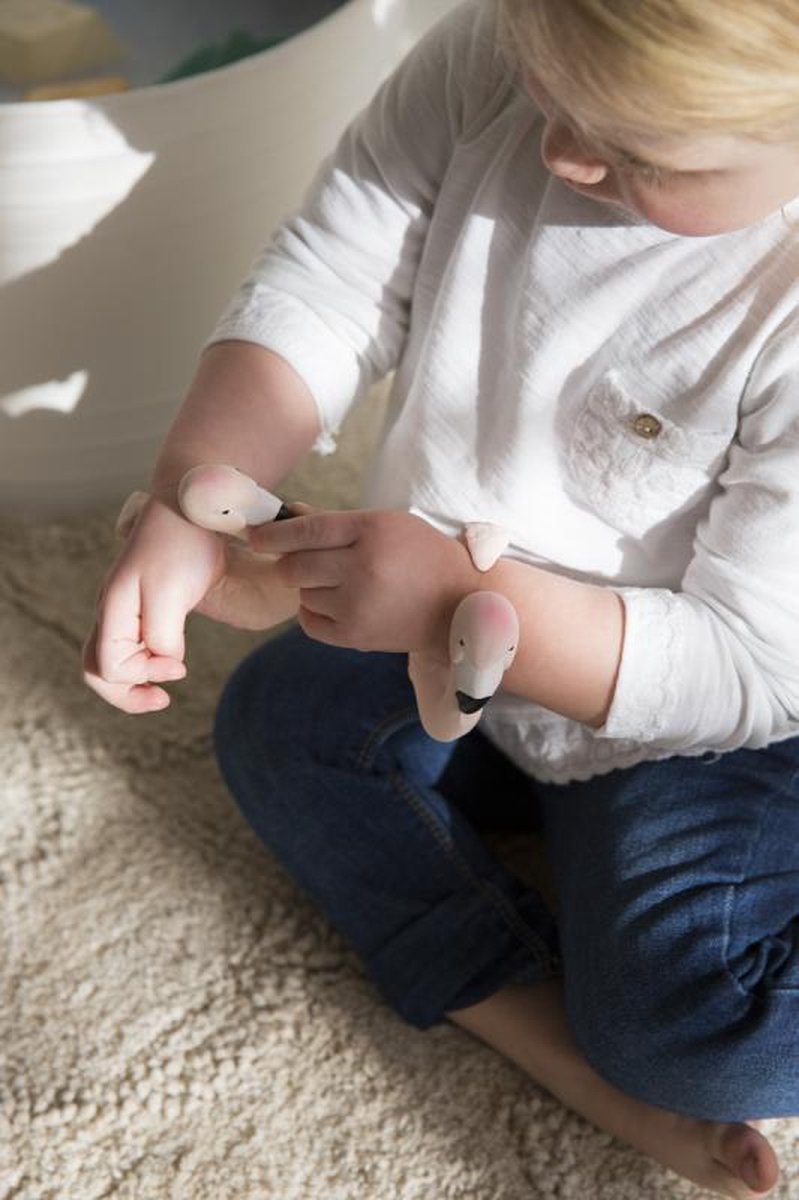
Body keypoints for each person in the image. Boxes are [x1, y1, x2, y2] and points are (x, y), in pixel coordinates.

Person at [84, 0, 799, 1193]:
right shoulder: (487, 54)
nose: (563, 154)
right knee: (277, 727)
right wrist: (189, 495)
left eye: (642, 155)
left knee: (708, 1028)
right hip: (470, 644)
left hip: (720, 717)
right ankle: (540, 1029)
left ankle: (618, 1037)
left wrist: (449, 599)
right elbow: (327, 278)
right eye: (546, 86)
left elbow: (749, 670)